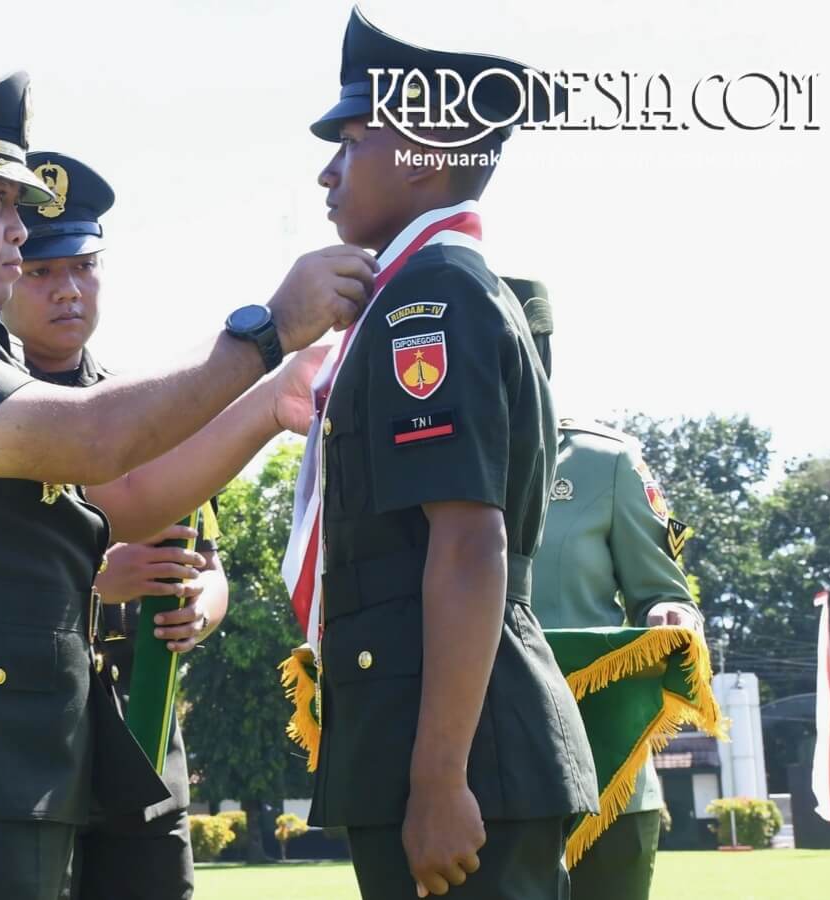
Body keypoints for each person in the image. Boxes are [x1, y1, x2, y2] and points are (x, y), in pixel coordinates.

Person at [0, 70, 373, 900]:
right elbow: (94, 437)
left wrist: (269, 403)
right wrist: (266, 332)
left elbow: (123, 497)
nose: (20, 228)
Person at [293, 9, 598, 898]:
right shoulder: (426, 288)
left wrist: (436, 780)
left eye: (353, 139)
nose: (327, 168)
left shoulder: (429, 297)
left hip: (460, 762)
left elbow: (469, 541)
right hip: (443, 741)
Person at [0, 151, 248, 900]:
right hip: (29, 738)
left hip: (142, 729)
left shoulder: (148, 409)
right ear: (5, 272)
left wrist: (202, 608)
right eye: (41, 272)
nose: (67, 289)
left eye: (83, 265)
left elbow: (208, 560)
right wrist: (97, 583)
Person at [513, 276, 702, 900]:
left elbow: (662, 592)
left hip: (605, 767)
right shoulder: (422, 460)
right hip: (473, 769)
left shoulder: (604, 461)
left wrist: (670, 614)